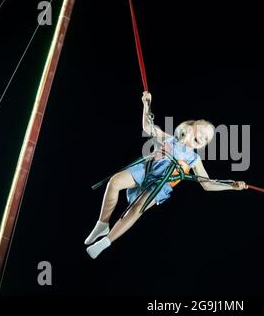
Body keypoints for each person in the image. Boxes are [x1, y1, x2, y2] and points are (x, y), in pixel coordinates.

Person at [85, 92, 247, 259]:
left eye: (206, 139)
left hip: (160, 186)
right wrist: (146, 106)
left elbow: (207, 184)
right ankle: (102, 223)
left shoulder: (194, 159)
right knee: (114, 182)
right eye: (202, 131)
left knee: (137, 208)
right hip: (146, 170)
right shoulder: (170, 139)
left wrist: (231, 186)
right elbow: (148, 128)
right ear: (189, 127)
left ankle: (106, 241)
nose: (203, 137)